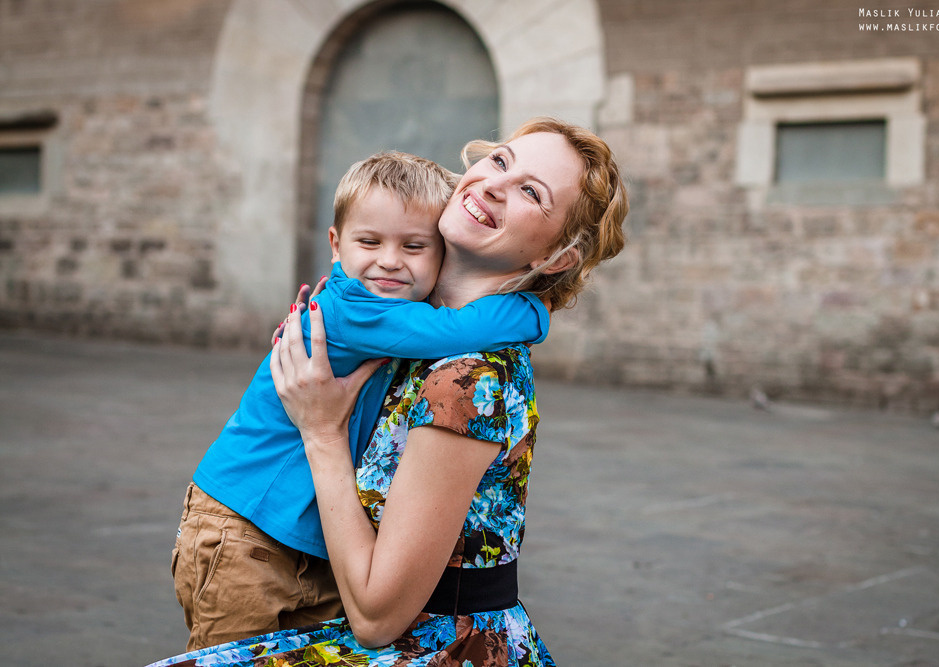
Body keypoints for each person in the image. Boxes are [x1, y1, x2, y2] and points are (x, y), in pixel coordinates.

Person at [149, 117, 628, 667]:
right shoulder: (400, 319)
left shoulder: (467, 377)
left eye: (530, 192)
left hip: (423, 632)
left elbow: (378, 619)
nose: (496, 183)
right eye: (499, 161)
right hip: (247, 527)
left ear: (556, 258)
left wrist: (322, 430)